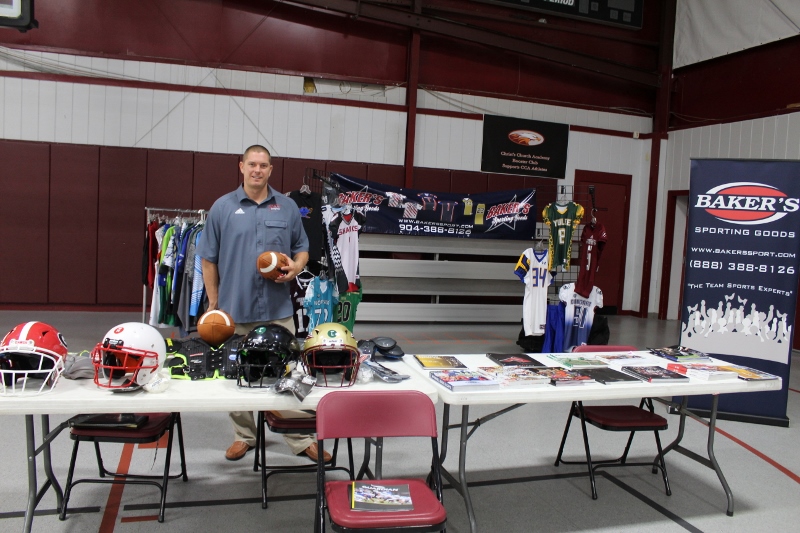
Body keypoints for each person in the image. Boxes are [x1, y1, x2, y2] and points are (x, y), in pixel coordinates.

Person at [196, 144, 329, 463]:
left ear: (270, 169)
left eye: (263, 165)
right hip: (234, 308)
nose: (257, 170)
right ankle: (244, 436)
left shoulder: (286, 207)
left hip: (277, 310)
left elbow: (302, 249)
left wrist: (296, 267)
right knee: (236, 373)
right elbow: (208, 259)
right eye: (252, 164)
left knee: (290, 372)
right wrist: (213, 303)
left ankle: (301, 438)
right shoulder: (222, 207)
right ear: (241, 167)